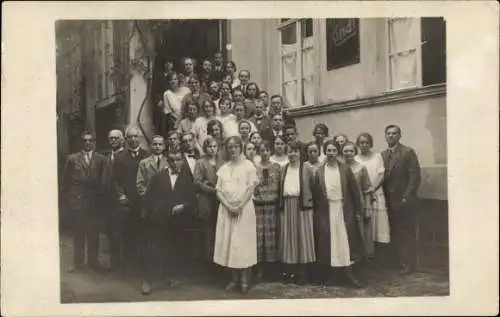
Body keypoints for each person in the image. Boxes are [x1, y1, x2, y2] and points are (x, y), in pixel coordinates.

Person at [141, 149, 197, 295]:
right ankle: (148, 281)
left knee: (174, 249)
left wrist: (183, 206)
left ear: (182, 161)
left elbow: (192, 201)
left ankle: (170, 276)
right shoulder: (157, 177)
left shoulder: (187, 178)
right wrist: (153, 215)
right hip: (158, 220)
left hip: (177, 221)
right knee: (154, 250)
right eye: (171, 160)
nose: (174, 163)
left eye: (178, 160)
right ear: (167, 161)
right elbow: (148, 199)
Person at [311, 140, 365, 288]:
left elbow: (355, 192)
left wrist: (359, 210)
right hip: (327, 211)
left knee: (346, 242)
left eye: (334, 150)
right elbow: (316, 195)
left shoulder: (345, 169)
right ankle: (335, 275)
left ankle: (350, 275)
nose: (331, 153)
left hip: (344, 209)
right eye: (328, 150)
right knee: (332, 243)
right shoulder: (320, 171)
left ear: (338, 152)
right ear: (324, 152)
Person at [213, 136, 259, 294]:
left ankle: (245, 280)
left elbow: (250, 189)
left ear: (241, 148)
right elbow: (218, 190)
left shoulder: (248, 166)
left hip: (244, 210)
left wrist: (239, 206)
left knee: (243, 244)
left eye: (235, 147)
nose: (232, 150)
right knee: (229, 243)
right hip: (226, 210)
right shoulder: (224, 168)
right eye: (230, 147)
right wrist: (228, 206)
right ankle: (233, 279)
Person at [62, 131, 108, 273]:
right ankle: (77, 262)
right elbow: (66, 182)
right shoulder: (72, 159)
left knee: (94, 233)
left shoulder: (101, 159)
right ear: (82, 142)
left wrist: (100, 198)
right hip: (78, 201)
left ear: (94, 142)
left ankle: (93, 262)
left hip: (94, 202)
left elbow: (104, 180)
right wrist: (70, 201)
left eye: (90, 140)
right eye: (85, 140)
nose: (87, 143)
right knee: (79, 233)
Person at [381, 124, 421, 275]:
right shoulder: (383, 155)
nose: (391, 136)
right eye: (388, 133)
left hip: (403, 201)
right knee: (392, 232)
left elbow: (414, 176)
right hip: (387, 201)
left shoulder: (407, 152)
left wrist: (406, 197)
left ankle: (408, 264)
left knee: (405, 233)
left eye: (394, 133)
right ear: (385, 136)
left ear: (399, 135)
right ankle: (395, 262)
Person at [277, 140, 316, 285]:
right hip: (287, 205)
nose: (292, 154)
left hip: (302, 206)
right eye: (289, 151)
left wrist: (310, 203)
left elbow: (314, 188)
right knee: (289, 238)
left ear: (300, 153)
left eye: (295, 151)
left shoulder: (306, 169)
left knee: (302, 238)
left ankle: (303, 272)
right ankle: (290, 270)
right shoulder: (284, 168)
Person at [113, 126, 149, 270]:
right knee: (127, 233)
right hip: (127, 201)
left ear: (139, 138)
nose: (133, 139)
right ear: (126, 139)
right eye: (130, 137)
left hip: (144, 201)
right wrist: (121, 194)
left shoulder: (148, 155)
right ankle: (128, 264)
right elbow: (114, 180)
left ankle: (143, 265)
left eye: (136, 136)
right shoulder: (120, 158)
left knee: (144, 233)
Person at [355, 133, 391, 250]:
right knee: (365, 225)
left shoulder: (377, 157)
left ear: (370, 144)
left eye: (366, 142)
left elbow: (381, 174)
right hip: (362, 196)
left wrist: (373, 188)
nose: (364, 145)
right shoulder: (355, 158)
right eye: (361, 142)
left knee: (378, 226)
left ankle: (379, 256)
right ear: (358, 144)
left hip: (376, 193)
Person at [193, 136, 224, 264]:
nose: (212, 149)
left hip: (220, 200)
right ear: (205, 148)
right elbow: (197, 182)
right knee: (207, 231)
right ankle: (207, 260)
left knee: (219, 229)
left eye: (214, 146)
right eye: (209, 147)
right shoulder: (200, 162)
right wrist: (211, 189)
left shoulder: (222, 162)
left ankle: (219, 260)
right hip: (206, 200)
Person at [253, 140, 281, 283]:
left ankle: (272, 269)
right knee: (259, 237)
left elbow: (280, 188)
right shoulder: (254, 168)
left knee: (272, 237)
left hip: (272, 207)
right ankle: (259, 269)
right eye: (261, 150)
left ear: (270, 152)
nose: (264, 153)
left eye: (267, 150)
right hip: (258, 207)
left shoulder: (277, 167)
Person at [342, 141, 374, 259]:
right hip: (344, 206)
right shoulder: (340, 168)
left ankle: (361, 262)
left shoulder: (361, 168)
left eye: (351, 151)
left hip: (358, 205)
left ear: (355, 152)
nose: (348, 153)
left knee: (360, 233)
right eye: (345, 151)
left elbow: (367, 189)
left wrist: (366, 207)